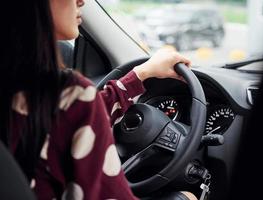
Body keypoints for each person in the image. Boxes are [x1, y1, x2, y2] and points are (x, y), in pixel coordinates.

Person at [0, 0, 196, 199]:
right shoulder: (69, 94)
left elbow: (66, 118)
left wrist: (141, 74)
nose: (81, 1)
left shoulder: (37, 98)